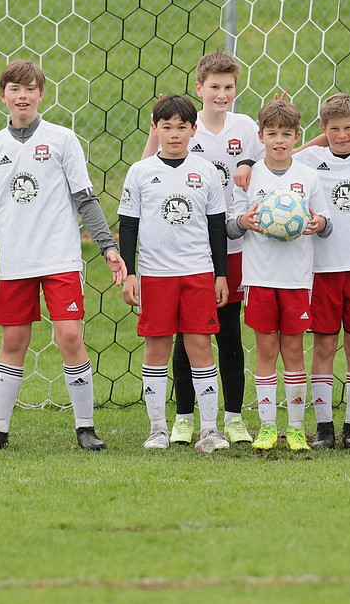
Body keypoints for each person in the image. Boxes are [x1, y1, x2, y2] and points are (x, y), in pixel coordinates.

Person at [0, 59, 126, 452]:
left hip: (59, 258)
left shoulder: (62, 139)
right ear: (2, 96)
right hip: (17, 262)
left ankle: (85, 428)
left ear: (41, 94)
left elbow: (84, 199)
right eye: (15, 90)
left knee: (70, 336)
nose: (23, 96)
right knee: (14, 340)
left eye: (30, 89)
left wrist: (108, 247)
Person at [141, 51, 260, 446]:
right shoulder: (186, 129)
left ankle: (233, 417)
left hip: (235, 245)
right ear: (199, 89)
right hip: (187, 250)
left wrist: (248, 164)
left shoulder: (244, 127)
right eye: (214, 87)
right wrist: (155, 124)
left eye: (229, 87)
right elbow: (147, 170)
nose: (222, 94)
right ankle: (183, 417)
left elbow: (282, 155)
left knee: (226, 332)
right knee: (182, 334)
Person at [118, 94, 231, 452]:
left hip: (198, 272)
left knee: (199, 344)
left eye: (182, 127)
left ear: (193, 130)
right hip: (155, 274)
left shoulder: (206, 171)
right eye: (166, 127)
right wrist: (130, 273)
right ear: (155, 129)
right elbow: (128, 226)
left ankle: (210, 430)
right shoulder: (140, 172)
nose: (174, 134)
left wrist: (221, 275)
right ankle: (157, 429)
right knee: (156, 347)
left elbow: (216, 227)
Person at [228, 98, 331, 451]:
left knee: (293, 351)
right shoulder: (248, 175)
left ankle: (298, 429)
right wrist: (244, 222)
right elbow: (232, 225)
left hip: (296, 279)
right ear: (261, 136)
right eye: (272, 134)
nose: (279, 141)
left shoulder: (308, 177)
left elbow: (327, 223)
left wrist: (319, 223)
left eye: (286, 134)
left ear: (297, 136)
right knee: (266, 349)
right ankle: (268, 428)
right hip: (259, 277)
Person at [294, 94, 350, 448]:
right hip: (322, 268)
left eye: (349, 128)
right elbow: (278, 157)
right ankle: (325, 427)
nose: (342, 135)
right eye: (334, 129)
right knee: (324, 345)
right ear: (323, 129)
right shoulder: (310, 159)